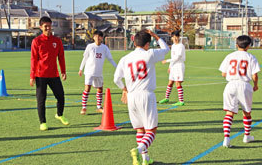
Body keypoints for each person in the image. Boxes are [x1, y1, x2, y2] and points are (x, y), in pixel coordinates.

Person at [114, 29, 169, 165]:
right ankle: (139, 150)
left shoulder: (125, 59)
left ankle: (145, 159)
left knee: (140, 129)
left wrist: (124, 89)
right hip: (146, 95)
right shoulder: (149, 54)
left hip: (131, 97)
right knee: (151, 130)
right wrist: (156, 36)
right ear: (147, 44)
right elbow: (166, 49)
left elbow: (116, 79)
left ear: (134, 42)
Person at [219, 35, 260, 148]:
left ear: (236, 45)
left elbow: (223, 73)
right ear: (248, 46)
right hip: (244, 85)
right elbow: (254, 75)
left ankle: (226, 138)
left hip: (230, 85)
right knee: (246, 112)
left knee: (229, 113)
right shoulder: (251, 57)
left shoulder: (230, 56)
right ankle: (247, 136)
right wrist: (255, 85)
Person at [30, 16, 69, 131]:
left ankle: (59, 114)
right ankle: (43, 122)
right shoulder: (36, 41)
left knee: (61, 96)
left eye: (49, 26)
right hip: (40, 75)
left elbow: (61, 57)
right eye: (45, 26)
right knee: (41, 100)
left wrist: (63, 71)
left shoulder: (57, 41)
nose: (48, 28)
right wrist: (32, 76)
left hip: (54, 75)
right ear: (41, 27)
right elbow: (34, 59)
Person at [78, 30, 117, 115]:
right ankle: (84, 107)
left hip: (98, 72)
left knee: (100, 89)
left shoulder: (104, 48)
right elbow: (85, 58)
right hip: (89, 71)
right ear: (93, 37)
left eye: (100, 36)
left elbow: (110, 59)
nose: (98, 38)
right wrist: (81, 69)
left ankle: (99, 107)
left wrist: (117, 68)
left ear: (102, 38)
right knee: (87, 89)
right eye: (96, 36)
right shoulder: (90, 46)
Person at [159, 30, 186, 106]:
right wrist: (170, 66)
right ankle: (166, 98)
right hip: (173, 66)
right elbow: (173, 57)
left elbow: (177, 57)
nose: (175, 39)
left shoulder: (181, 46)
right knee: (170, 82)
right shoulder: (173, 46)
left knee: (178, 83)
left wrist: (166, 61)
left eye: (176, 37)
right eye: (173, 37)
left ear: (179, 37)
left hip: (179, 66)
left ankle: (181, 101)